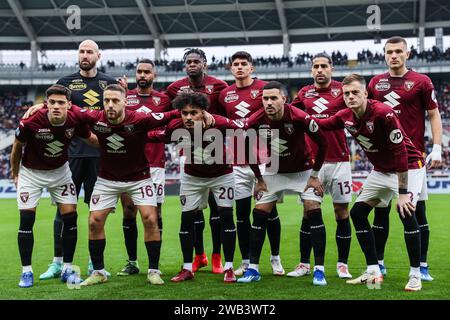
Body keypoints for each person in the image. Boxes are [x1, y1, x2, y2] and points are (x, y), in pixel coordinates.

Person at [319, 73, 424, 291]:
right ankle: (373, 270)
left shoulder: (383, 113)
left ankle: (415, 275)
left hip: (409, 167)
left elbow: (401, 153)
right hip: (381, 170)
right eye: (346, 93)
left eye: (355, 92)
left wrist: (403, 192)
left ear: (366, 94)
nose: (350, 96)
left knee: (406, 211)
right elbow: (322, 124)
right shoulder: (345, 115)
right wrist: (294, 117)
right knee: (357, 214)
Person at [147, 92, 263, 283]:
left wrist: (259, 177)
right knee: (187, 219)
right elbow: (155, 136)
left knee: (226, 217)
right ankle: (186, 269)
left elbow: (244, 132)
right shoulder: (175, 126)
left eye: (194, 113)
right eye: (184, 113)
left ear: (203, 112)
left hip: (222, 175)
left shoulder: (219, 122)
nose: (189, 117)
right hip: (192, 177)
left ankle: (229, 268)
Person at [75, 84, 181, 286]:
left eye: (115, 100)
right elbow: (71, 110)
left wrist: (198, 111)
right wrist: (39, 106)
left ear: (125, 101)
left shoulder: (140, 119)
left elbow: (171, 115)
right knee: (94, 221)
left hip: (138, 178)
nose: (110, 105)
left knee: (150, 219)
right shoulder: (96, 118)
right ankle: (98, 272)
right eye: (106, 101)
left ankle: (153, 270)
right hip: (107, 179)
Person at [237, 81, 329, 286]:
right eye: (265, 98)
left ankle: (319, 270)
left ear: (284, 99)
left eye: (273, 98)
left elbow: (323, 143)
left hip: (303, 171)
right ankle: (253, 268)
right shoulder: (254, 121)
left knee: (313, 210)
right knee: (259, 213)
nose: (268, 102)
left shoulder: (299, 117)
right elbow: (246, 150)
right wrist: (258, 179)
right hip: (274, 171)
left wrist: (314, 175)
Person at [39, 40, 117, 280]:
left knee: (97, 212)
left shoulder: (109, 83)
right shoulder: (64, 83)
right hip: (70, 155)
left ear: (98, 55)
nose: (85, 55)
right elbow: (48, 107)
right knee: (63, 212)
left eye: (89, 51)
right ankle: (57, 262)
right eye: (82, 51)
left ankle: (95, 263)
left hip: (98, 156)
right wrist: (34, 108)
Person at [367, 36, 442, 281]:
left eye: (399, 51)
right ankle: (378, 264)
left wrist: (437, 146)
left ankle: (421, 265)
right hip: (384, 161)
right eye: (389, 52)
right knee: (380, 212)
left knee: (416, 212)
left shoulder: (421, 81)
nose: (394, 56)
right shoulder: (375, 84)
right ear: (385, 55)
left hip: (412, 160)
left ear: (407, 54)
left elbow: (433, 114)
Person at [10, 85, 98, 287]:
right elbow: (17, 147)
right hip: (31, 174)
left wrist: (119, 147)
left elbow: (92, 140)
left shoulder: (75, 120)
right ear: (45, 104)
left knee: (71, 217)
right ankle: (26, 272)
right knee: (26, 219)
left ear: (69, 104)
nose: (56, 106)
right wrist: (15, 173)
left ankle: (67, 268)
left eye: (61, 103)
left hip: (60, 173)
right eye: (52, 102)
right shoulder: (31, 121)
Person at [218, 51, 284, 277]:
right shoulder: (225, 94)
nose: (239, 67)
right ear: (230, 68)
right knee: (241, 214)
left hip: (265, 159)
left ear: (251, 67)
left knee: (269, 212)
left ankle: (275, 258)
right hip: (235, 162)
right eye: (235, 64)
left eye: (243, 64)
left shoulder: (265, 90)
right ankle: (246, 261)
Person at [289, 53, 353, 279]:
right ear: (311, 70)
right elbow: (289, 115)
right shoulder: (304, 93)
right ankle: (305, 264)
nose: (319, 70)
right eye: (315, 66)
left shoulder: (342, 91)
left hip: (340, 162)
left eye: (324, 66)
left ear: (332, 69)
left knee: (341, 211)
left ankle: (342, 264)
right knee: (309, 212)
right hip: (311, 164)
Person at [166, 48, 229, 274]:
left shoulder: (220, 86)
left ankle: (216, 257)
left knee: (217, 212)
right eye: (188, 61)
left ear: (205, 64)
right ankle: (199, 255)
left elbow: (228, 115)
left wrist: (215, 120)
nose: (192, 64)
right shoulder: (175, 88)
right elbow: (168, 113)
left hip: (216, 154)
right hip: (191, 155)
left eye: (196, 61)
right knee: (193, 213)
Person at [116, 59, 172, 276]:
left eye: (147, 72)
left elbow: (171, 125)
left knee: (155, 214)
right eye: (139, 71)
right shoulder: (125, 97)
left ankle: (154, 266)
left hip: (155, 164)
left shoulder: (164, 99)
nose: (142, 75)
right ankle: (132, 262)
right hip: (127, 163)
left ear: (154, 76)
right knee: (129, 211)